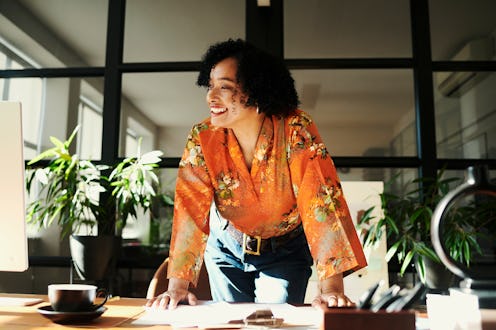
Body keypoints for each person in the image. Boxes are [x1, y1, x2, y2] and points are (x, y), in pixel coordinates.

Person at [146, 38, 367, 310]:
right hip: (225, 246)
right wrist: (176, 288)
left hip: (284, 251)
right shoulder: (203, 137)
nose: (210, 97)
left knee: (275, 323)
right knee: (230, 324)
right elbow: (189, 210)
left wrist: (331, 289)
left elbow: (321, 203)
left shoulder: (295, 129)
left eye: (224, 87)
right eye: (210, 85)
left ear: (257, 92)